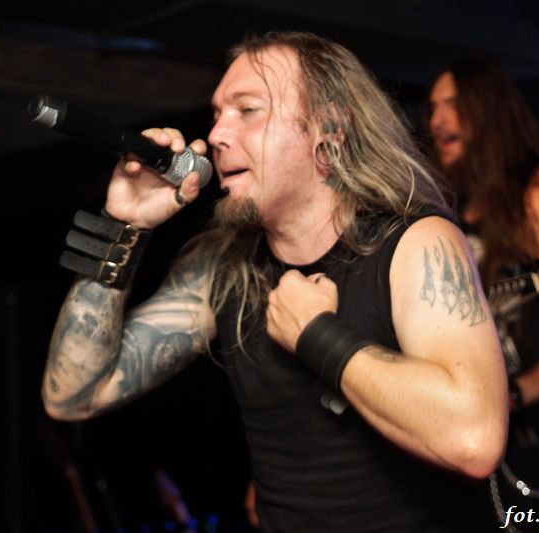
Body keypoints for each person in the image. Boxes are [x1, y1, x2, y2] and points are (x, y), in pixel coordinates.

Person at [43, 31, 508, 532]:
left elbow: (474, 442)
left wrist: (317, 336)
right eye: (218, 114)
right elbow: (71, 395)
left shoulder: (416, 243)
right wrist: (123, 228)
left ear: (329, 128)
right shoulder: (222, 265)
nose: (217, 134)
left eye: (248, 110)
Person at [426, 57, 539, 530]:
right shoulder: (449, 211)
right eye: (433, 108)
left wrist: (510, 395)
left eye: (453, 105)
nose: (437, 120)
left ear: (488, 112)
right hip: (471, 452)